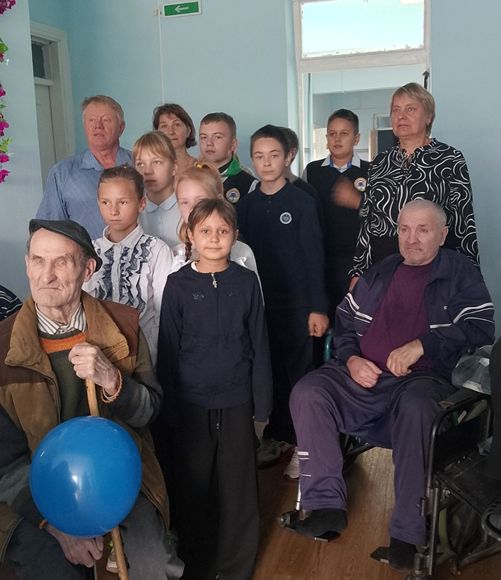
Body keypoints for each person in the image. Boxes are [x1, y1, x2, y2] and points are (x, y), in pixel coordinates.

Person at [289, 200, 494, 570]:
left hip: (422, 379)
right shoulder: (382, 270)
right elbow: (345, 322)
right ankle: (325, 507)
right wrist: (352, 360)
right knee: (309, 392)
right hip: (364, 375)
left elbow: (480, 328)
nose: (411, 239)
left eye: (423, 230)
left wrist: (422, 345)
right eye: (404, 229)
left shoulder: (459, 271)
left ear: (443, 234)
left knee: (418, 409)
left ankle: (407, 534)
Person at [0, 219, 183, 579]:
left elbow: (148, 412)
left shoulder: (123, 326)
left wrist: (114, 381)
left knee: (155, 564)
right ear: (26, 264)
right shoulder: (2, 348)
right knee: (55, 570)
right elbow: (5, 464)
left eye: (61, 262)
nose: (47, 275)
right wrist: (54, 523)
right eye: (38, 260)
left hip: (118, 478)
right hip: (33, 489)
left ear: (87, 269)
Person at [156, 198, 272, 580]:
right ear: (190, 235)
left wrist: (262, 407)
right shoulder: (178, 285)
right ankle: (198, 563)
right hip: (191, 404)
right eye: (205, 230)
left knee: (239, 486)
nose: (214, 238)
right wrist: (169, 409)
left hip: (238, 400)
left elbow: (260, 345)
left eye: (223, 231)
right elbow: (168, 350)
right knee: (194, 485)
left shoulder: (246, 282)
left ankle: (237, 565)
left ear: (235, 236)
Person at [237, 124, 329, 476]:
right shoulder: (246, 205)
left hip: (297, 306)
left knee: (298, 374)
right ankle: (277, 436)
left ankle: (305, 444)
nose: (266, 162)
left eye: (273, 155)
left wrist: (317, 308)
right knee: (268, 371)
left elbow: (314, 258)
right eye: (259, 156)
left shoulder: (302, 201)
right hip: (259, 304)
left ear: (287, 156)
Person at [351, 83, 479, 282]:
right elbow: (367, 221)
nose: (401, 116)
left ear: (428, 117)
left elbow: (464, 222)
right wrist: (358, 271)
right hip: (384, 268)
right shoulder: (380, 162)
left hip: (432, 268)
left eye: (410, 109)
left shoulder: (449, 158)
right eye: (396, 110)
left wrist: (469, 276)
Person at [82, 165, 173, 366]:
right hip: (96, 355)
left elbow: (164, 313)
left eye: (123, 202)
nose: (113, 211)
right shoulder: (89, 251)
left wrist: (153, 358)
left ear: (141, 203)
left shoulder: (157, 250)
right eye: (105, 202)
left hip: (145, 356)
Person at [36, 95, 131, 240]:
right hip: (85, 254)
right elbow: (48, 230)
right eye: (91, 120)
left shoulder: (139, 165)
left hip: (140, 252)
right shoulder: (62, 173)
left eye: (106, 120)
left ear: (121, 128)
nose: (98, 125)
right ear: (85, 126)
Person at [303, 109, 369, 315]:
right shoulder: (312, 171)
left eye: (344, 133)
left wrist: (357, 201)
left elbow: (382, 216)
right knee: (324, 315)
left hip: (357, 260)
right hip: (322, 258)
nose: (337, 139)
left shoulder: (371, 170)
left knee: (355, 315)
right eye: (332, 134)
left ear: (356, 138)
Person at [172, 161, 258, 275]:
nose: (192, 208)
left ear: (219, 200)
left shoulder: (242, 253)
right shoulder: (177, 255)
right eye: (184, 202)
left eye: (200, 201)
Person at [133, 131, 181, 248]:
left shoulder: (188, 207)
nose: (147, 171)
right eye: (140, 164)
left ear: (174, 168)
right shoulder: (132, 211)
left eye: (156, 162)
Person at [198, 112, 257, 205]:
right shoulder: (192, 178)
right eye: (203, 137)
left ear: (233, 144)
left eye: (217, 137)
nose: (209, 143)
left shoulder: (249, 185)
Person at [153, 103, 197, 176]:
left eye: (177, 125)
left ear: (188, 131)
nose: (171, 131)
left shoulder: (201, 168)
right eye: (164, 126)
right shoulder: (151, 170)